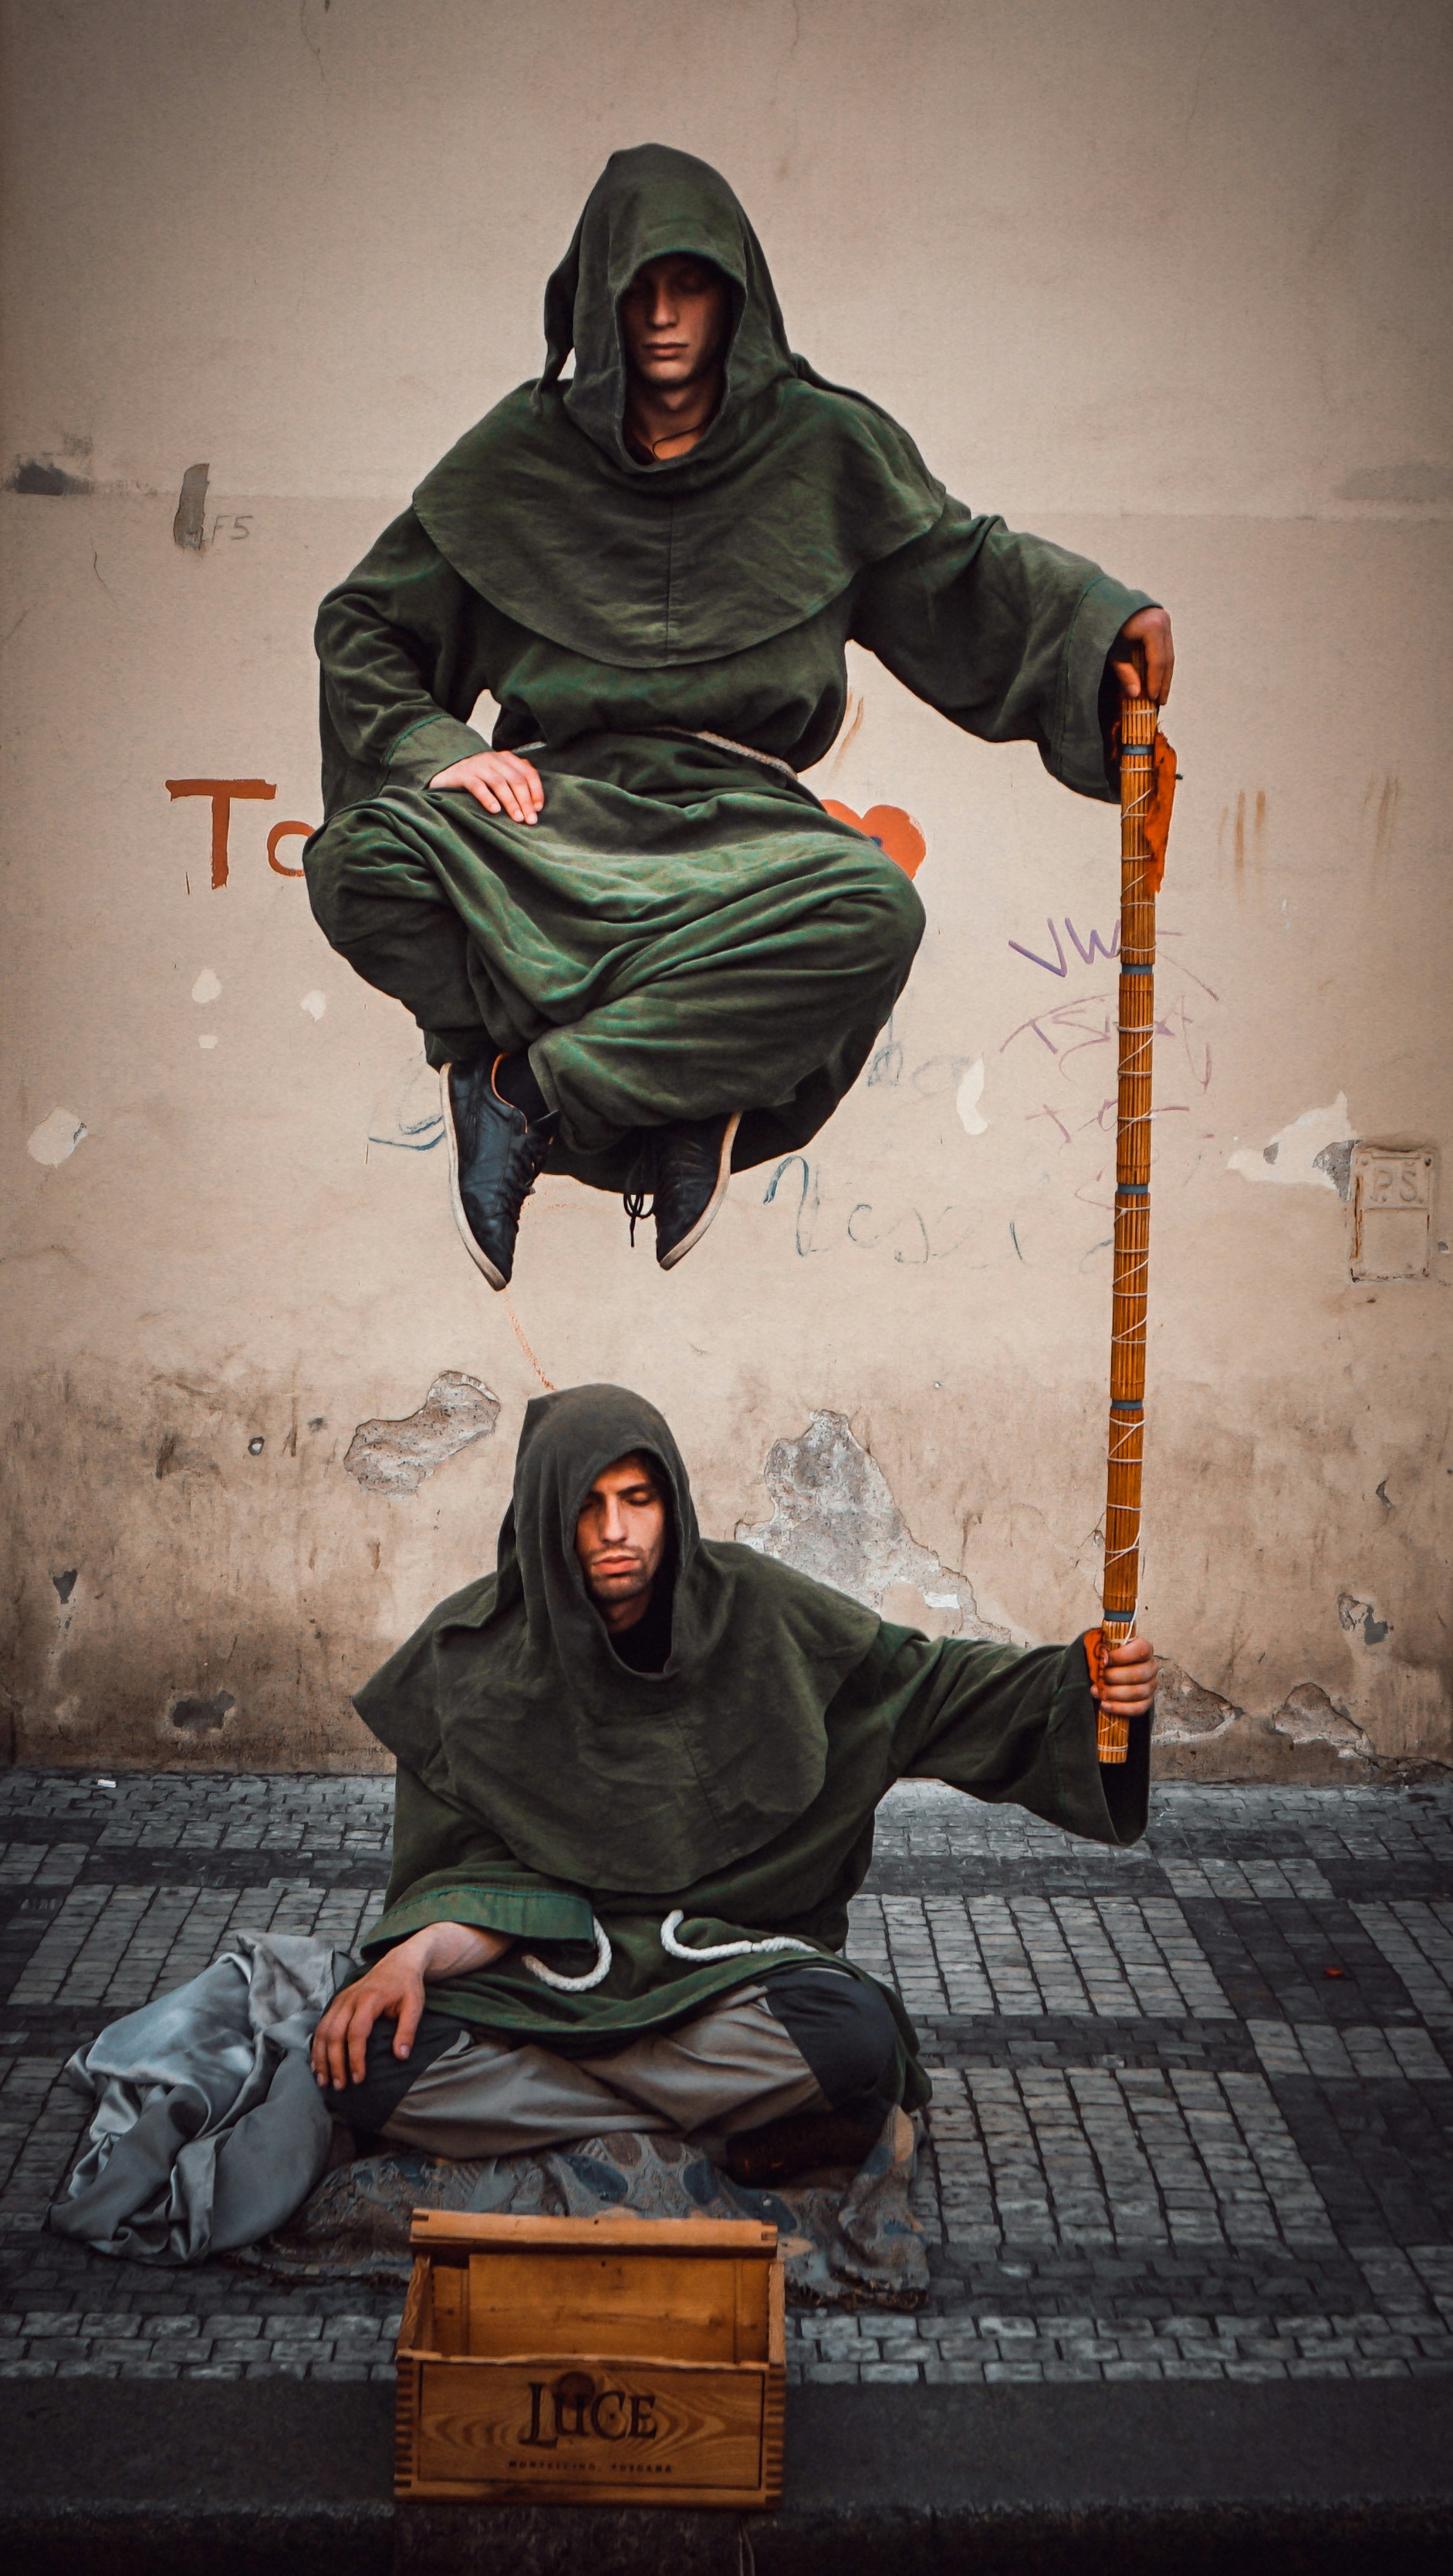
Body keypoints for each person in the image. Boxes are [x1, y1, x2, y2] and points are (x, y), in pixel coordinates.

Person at [305, 144, 1174, 1289]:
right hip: (551, 829)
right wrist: (441, 751)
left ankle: (529, 1091)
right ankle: (675, 1066)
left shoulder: (824, 448)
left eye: (691, 285)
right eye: (636, 289)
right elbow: (365, 625)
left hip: (740, 838)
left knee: (872, 909)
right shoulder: (513, 458)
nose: (662, 317)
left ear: (738, 295)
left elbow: (960, 574)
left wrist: (1105, 625)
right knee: (358, 862)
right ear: (596, 298)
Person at [311, 1384, 1158, 2181]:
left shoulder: (758, 1610)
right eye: (586, 1506)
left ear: (670, 1504)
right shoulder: (467, 1661)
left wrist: (1077, 1686)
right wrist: (408, 1963)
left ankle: (570, 2117)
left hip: (715, 1973)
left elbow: (926, 1685)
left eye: (636, 1500)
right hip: (545, 1982)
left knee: (848, 2039)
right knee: (366, 2073)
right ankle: (725, 2125)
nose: (615, 1529)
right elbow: (471, 1885)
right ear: (543, 1519)